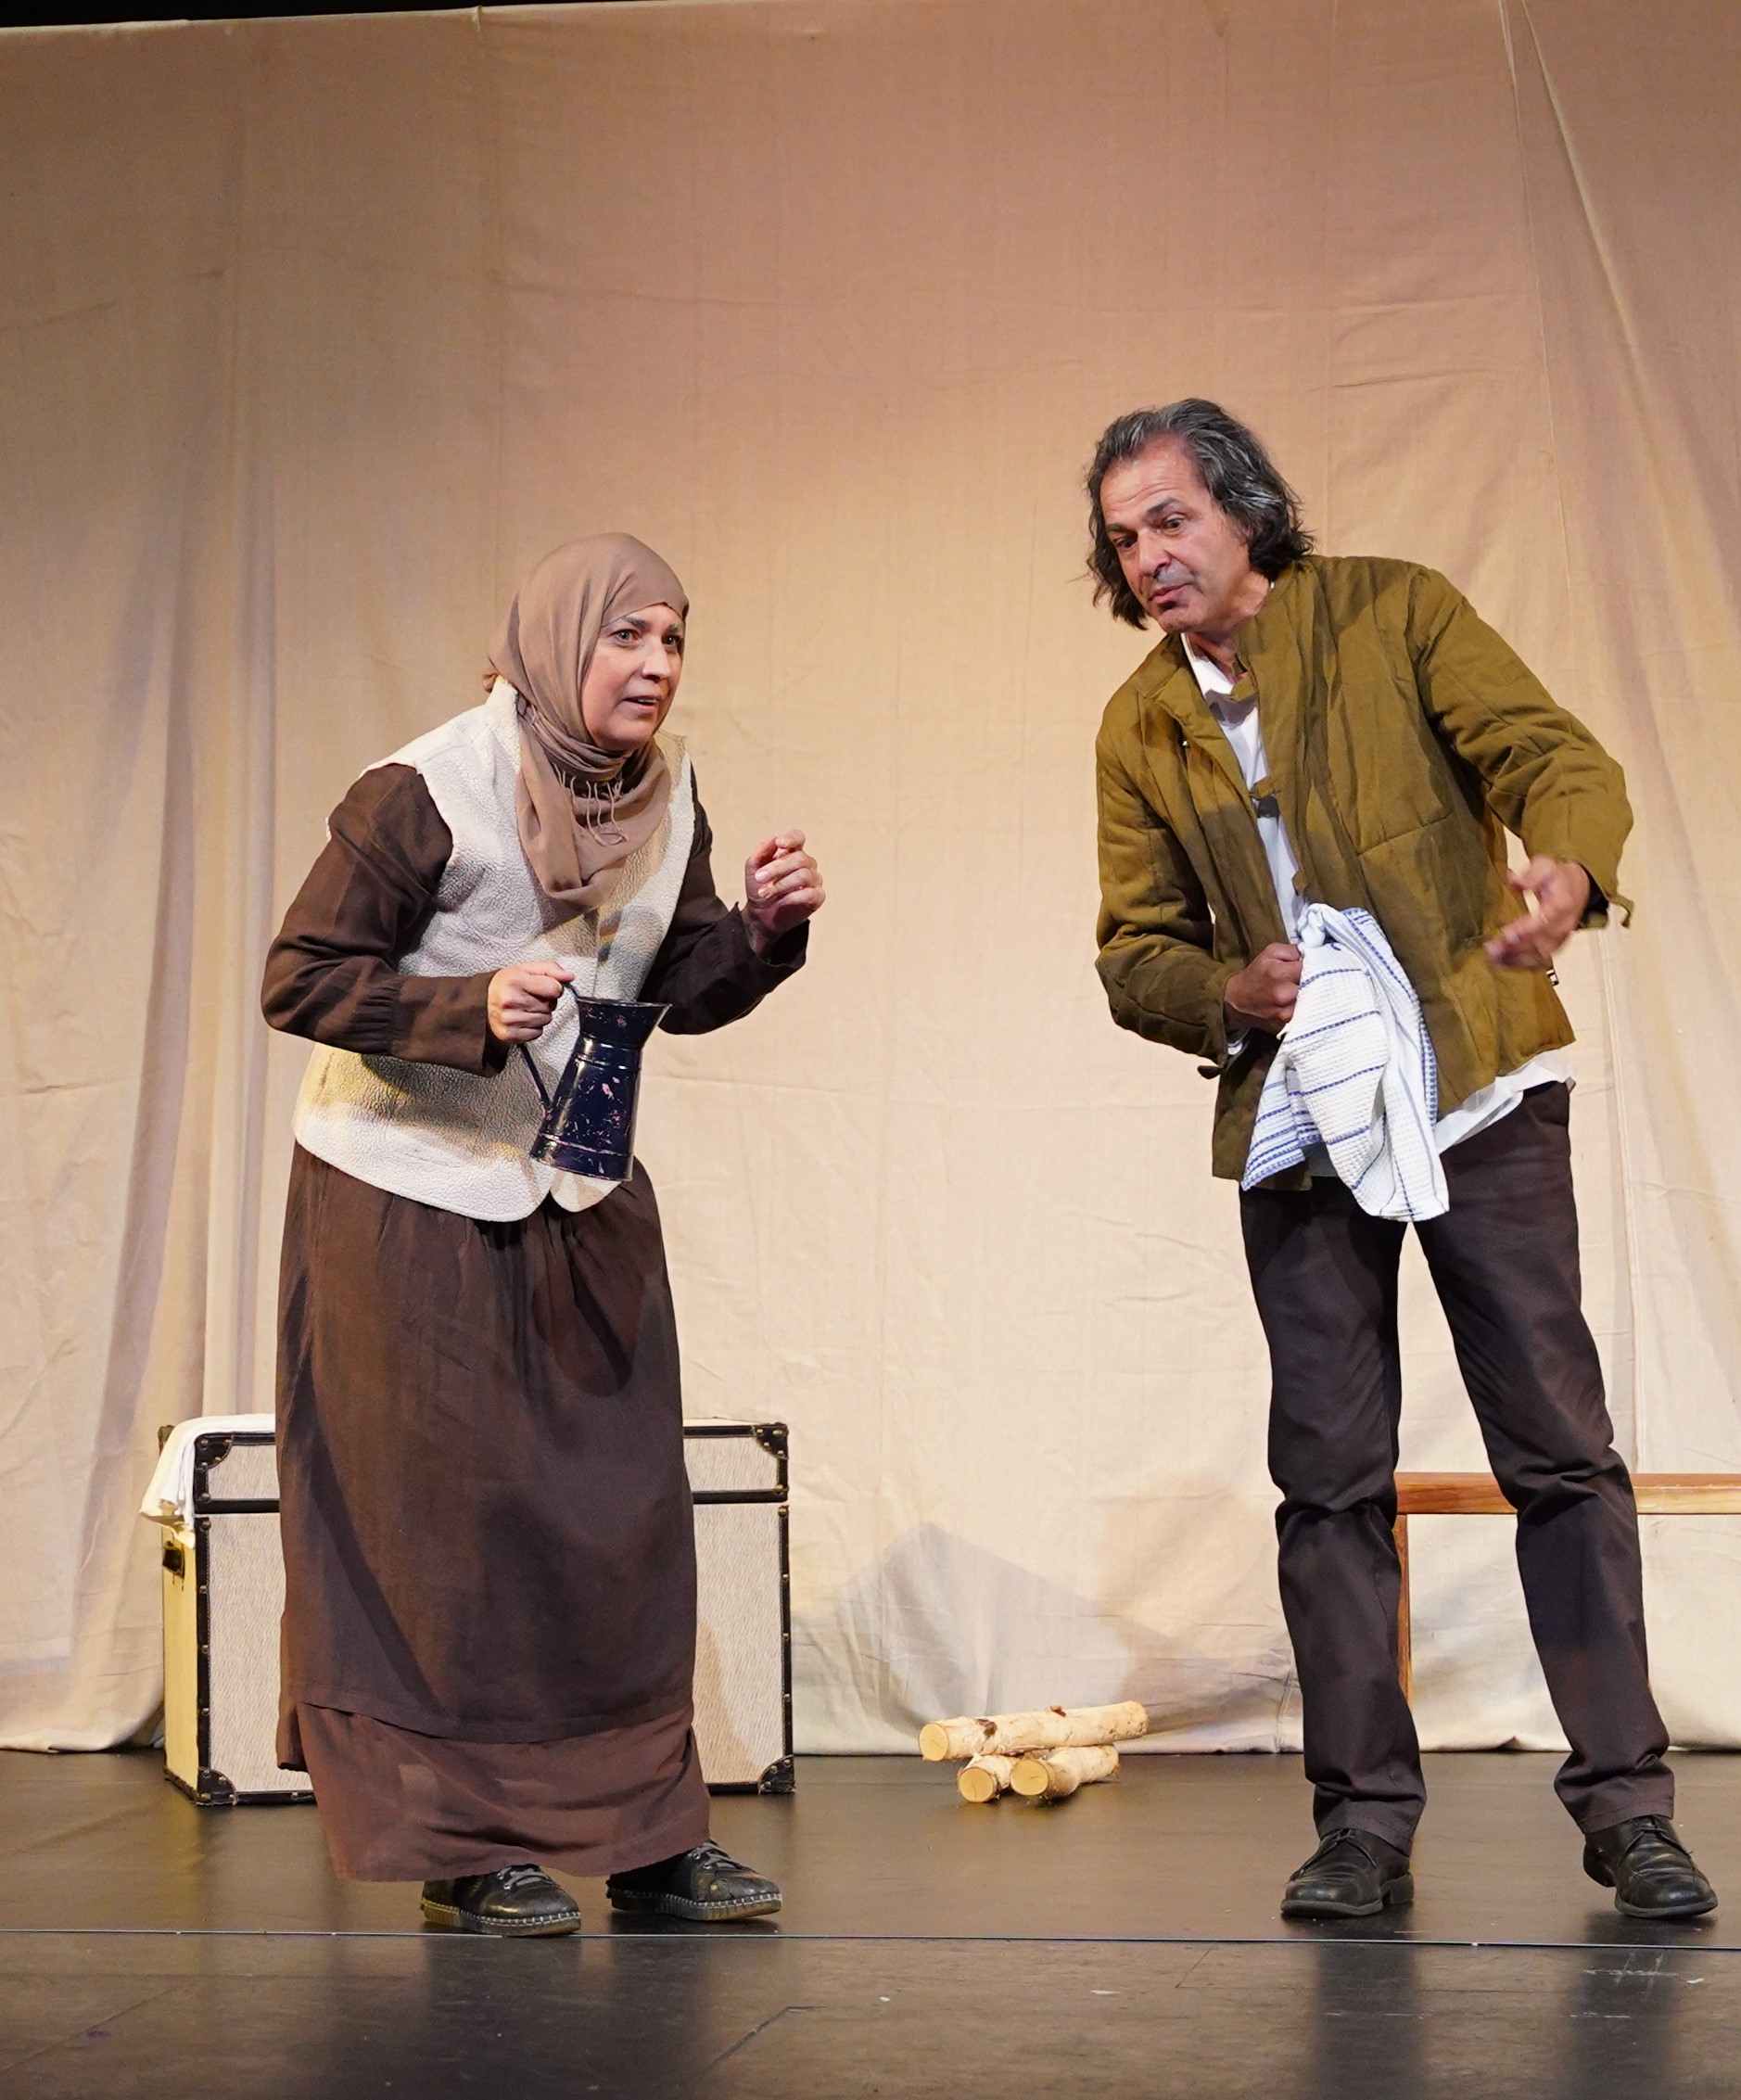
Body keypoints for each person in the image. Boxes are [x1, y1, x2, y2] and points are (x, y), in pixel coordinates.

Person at [1087, 398, 1717, 1923]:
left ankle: (1627, 1805)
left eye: (1169, 518)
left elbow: (1547, 754)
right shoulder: (1138, 723)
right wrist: (1223, 989)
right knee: (1327, 1476)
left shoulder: (1392, 611)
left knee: (1556, 1448)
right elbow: (1131, 948)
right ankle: (1360, 1820)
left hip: (1473, 1082)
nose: (1146, 555)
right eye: (1120, 537)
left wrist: (1566, 867)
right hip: (1302, 1123)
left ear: (1243, 508)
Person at [261, 533, 823, 1936]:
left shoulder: (666, 791)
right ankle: (462, 1844)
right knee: (446, 1531)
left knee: (618, 1522)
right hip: (406, 1191)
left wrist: (757, 934)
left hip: (576, 1180)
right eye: (626, 636)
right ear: (557, 643)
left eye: (673, 638)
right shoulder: (425, 787)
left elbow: (678, 984)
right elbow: (302, 976)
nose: (656, 665)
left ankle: (649, 1836)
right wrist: (463, 1009)